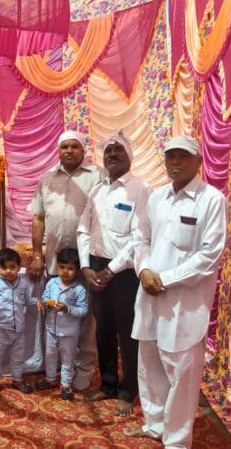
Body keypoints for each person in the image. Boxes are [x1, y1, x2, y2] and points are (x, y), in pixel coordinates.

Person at [123, 135, 227, 447]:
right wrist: (143, 270)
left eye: (183, 156)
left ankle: (178, 441)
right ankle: (155, 425)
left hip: (185, 303)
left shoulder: (211, 200)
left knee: (182, 374)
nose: (176, 161)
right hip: (149, 295)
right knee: (150, 364)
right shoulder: (156, 198)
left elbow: (209, 256)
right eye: (171, 156)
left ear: (199, 162)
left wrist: (164, 279)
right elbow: (140, 238)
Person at [77, 131, 152, 416]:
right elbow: (83, 229)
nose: (112, 155)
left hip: (124, 274)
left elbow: (140, 237)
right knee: (103, 330)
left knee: (128, 333)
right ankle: (108, 384)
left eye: (118, 150)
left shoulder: (141, 189)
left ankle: (128, 391)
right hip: (95, 268)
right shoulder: (97, 190)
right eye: (108, 151)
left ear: (129, 156)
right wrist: (86, 266)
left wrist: (110, 269)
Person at [27, 130, 103, 386]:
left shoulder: (98, 176)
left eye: (74, 146)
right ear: (58, 150)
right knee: (55, 313)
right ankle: (56, 366)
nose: (69, 151)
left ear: (83, 150)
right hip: (55, 262)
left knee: (86, 317)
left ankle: (83, 369)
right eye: (64, 147)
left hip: (87, 260)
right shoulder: (47, 178)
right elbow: (38, 218)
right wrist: (36, 254)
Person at [34, 248, 89, 400]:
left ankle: (66, 384)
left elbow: (83, 310)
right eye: (62, 267)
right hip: (50, 329)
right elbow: (45, 297)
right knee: (50, 355)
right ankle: (50, 378)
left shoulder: (79, 289)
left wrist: (67, 308)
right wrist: (44, 303)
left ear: (77, 270)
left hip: (68, 332)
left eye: (70, 268)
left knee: (67, 359)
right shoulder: (52, 283)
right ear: (57, 266)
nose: (65, 271)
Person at [0, 248, 37, 395]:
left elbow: (27, 301)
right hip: (1, 328)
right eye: (4, 267)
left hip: (19, 329)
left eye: (12, 267)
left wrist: (39, 301)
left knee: (18, 356)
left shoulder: (24, 284)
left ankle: (17, 379)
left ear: (19, 267)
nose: (8, 271)